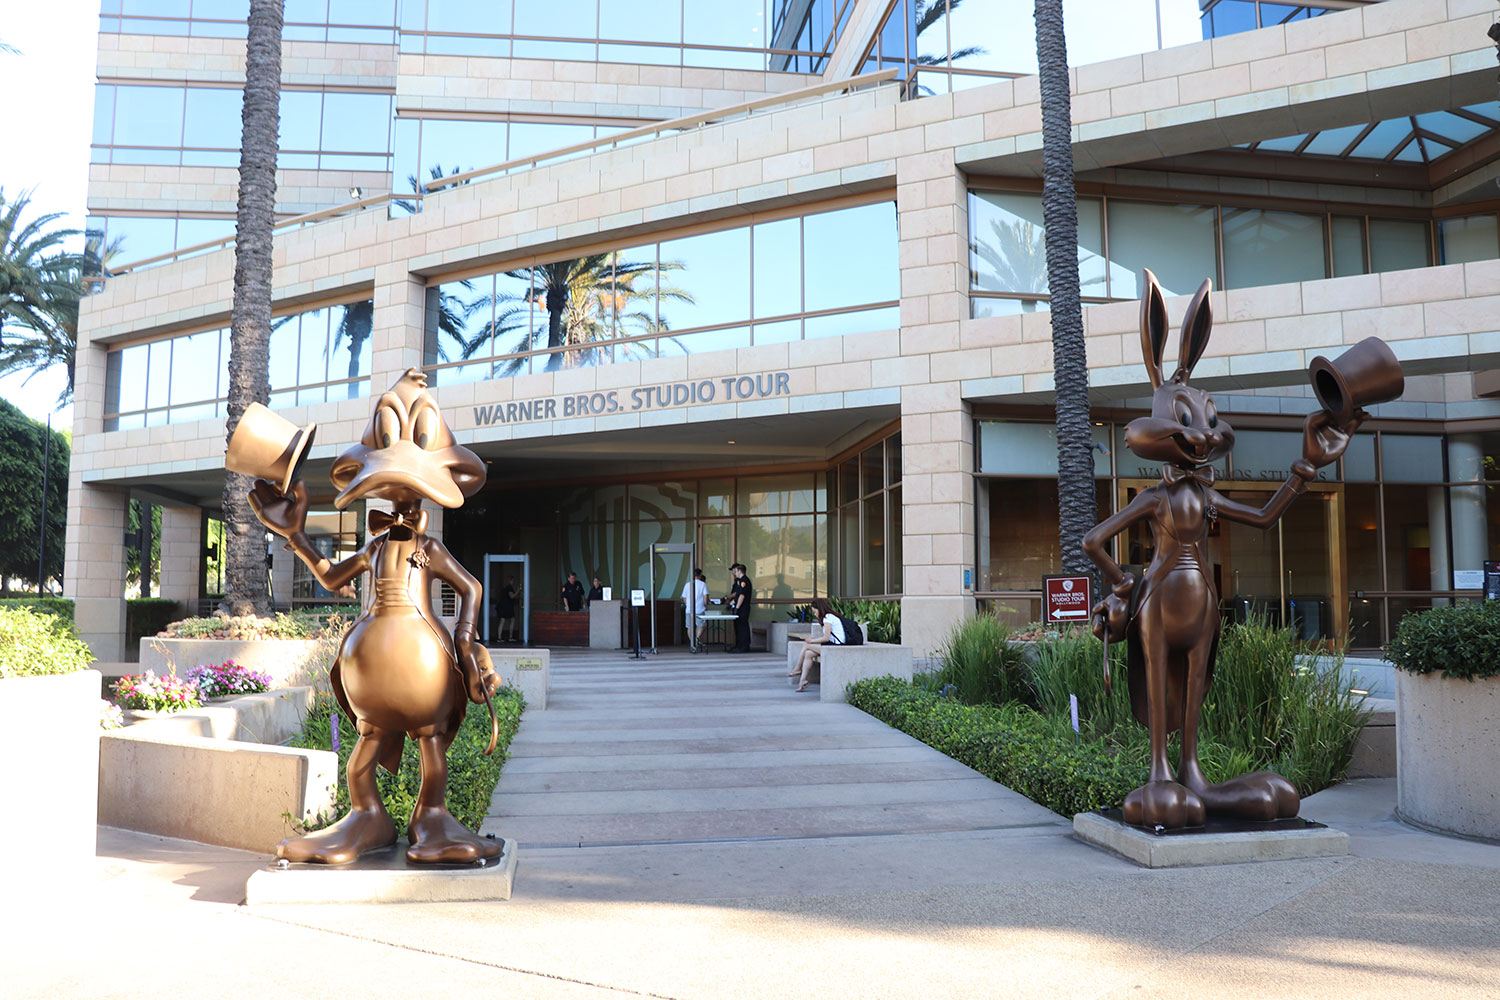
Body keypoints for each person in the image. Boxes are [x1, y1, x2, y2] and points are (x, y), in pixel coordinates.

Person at [789, 597, 844, 692]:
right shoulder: (828, 617)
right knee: (808, 653)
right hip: (831, 645)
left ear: (820, 609)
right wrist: (812, 641)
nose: (815, 614)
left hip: (836, 647)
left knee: (806, 645)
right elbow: (827, 639)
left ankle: (797, 668)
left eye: (815, 611)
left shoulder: (828, 618)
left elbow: (826, 638)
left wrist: (811, 641)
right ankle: (802, 681)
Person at [681, 568, 709, 651]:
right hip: (700, 608)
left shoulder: (687, 584)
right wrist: (705, 604)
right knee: (701, 625)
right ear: (700, 575)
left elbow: (684, 598)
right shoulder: (703, 584)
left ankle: (692, 642)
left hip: (689, 609)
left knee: (689, 626)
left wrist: (687, 605)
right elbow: (705, 596)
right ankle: (697, 638)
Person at [728, 562, 753, 653]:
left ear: (739, 571)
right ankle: (739, 645)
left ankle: (743, 646)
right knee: (738, 627)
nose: (735, 573)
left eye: (736, 571)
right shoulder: (740, 581)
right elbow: (737, 596)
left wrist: (737, 608)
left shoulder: (744, 581)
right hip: (739, 607)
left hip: (743, 608)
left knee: (742, 628)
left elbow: (742, 596)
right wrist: (731, 604)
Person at [496, 576, 518, 643]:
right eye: (512, 581)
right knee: (512, 620)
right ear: (510, 581)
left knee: (502, 621)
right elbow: (512, 596)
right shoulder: (509, 588)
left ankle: (499, 637)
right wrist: (518, 591)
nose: (513, 582)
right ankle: (510, 637)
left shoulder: (504, 588)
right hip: (507, 607)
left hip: (502, 606)